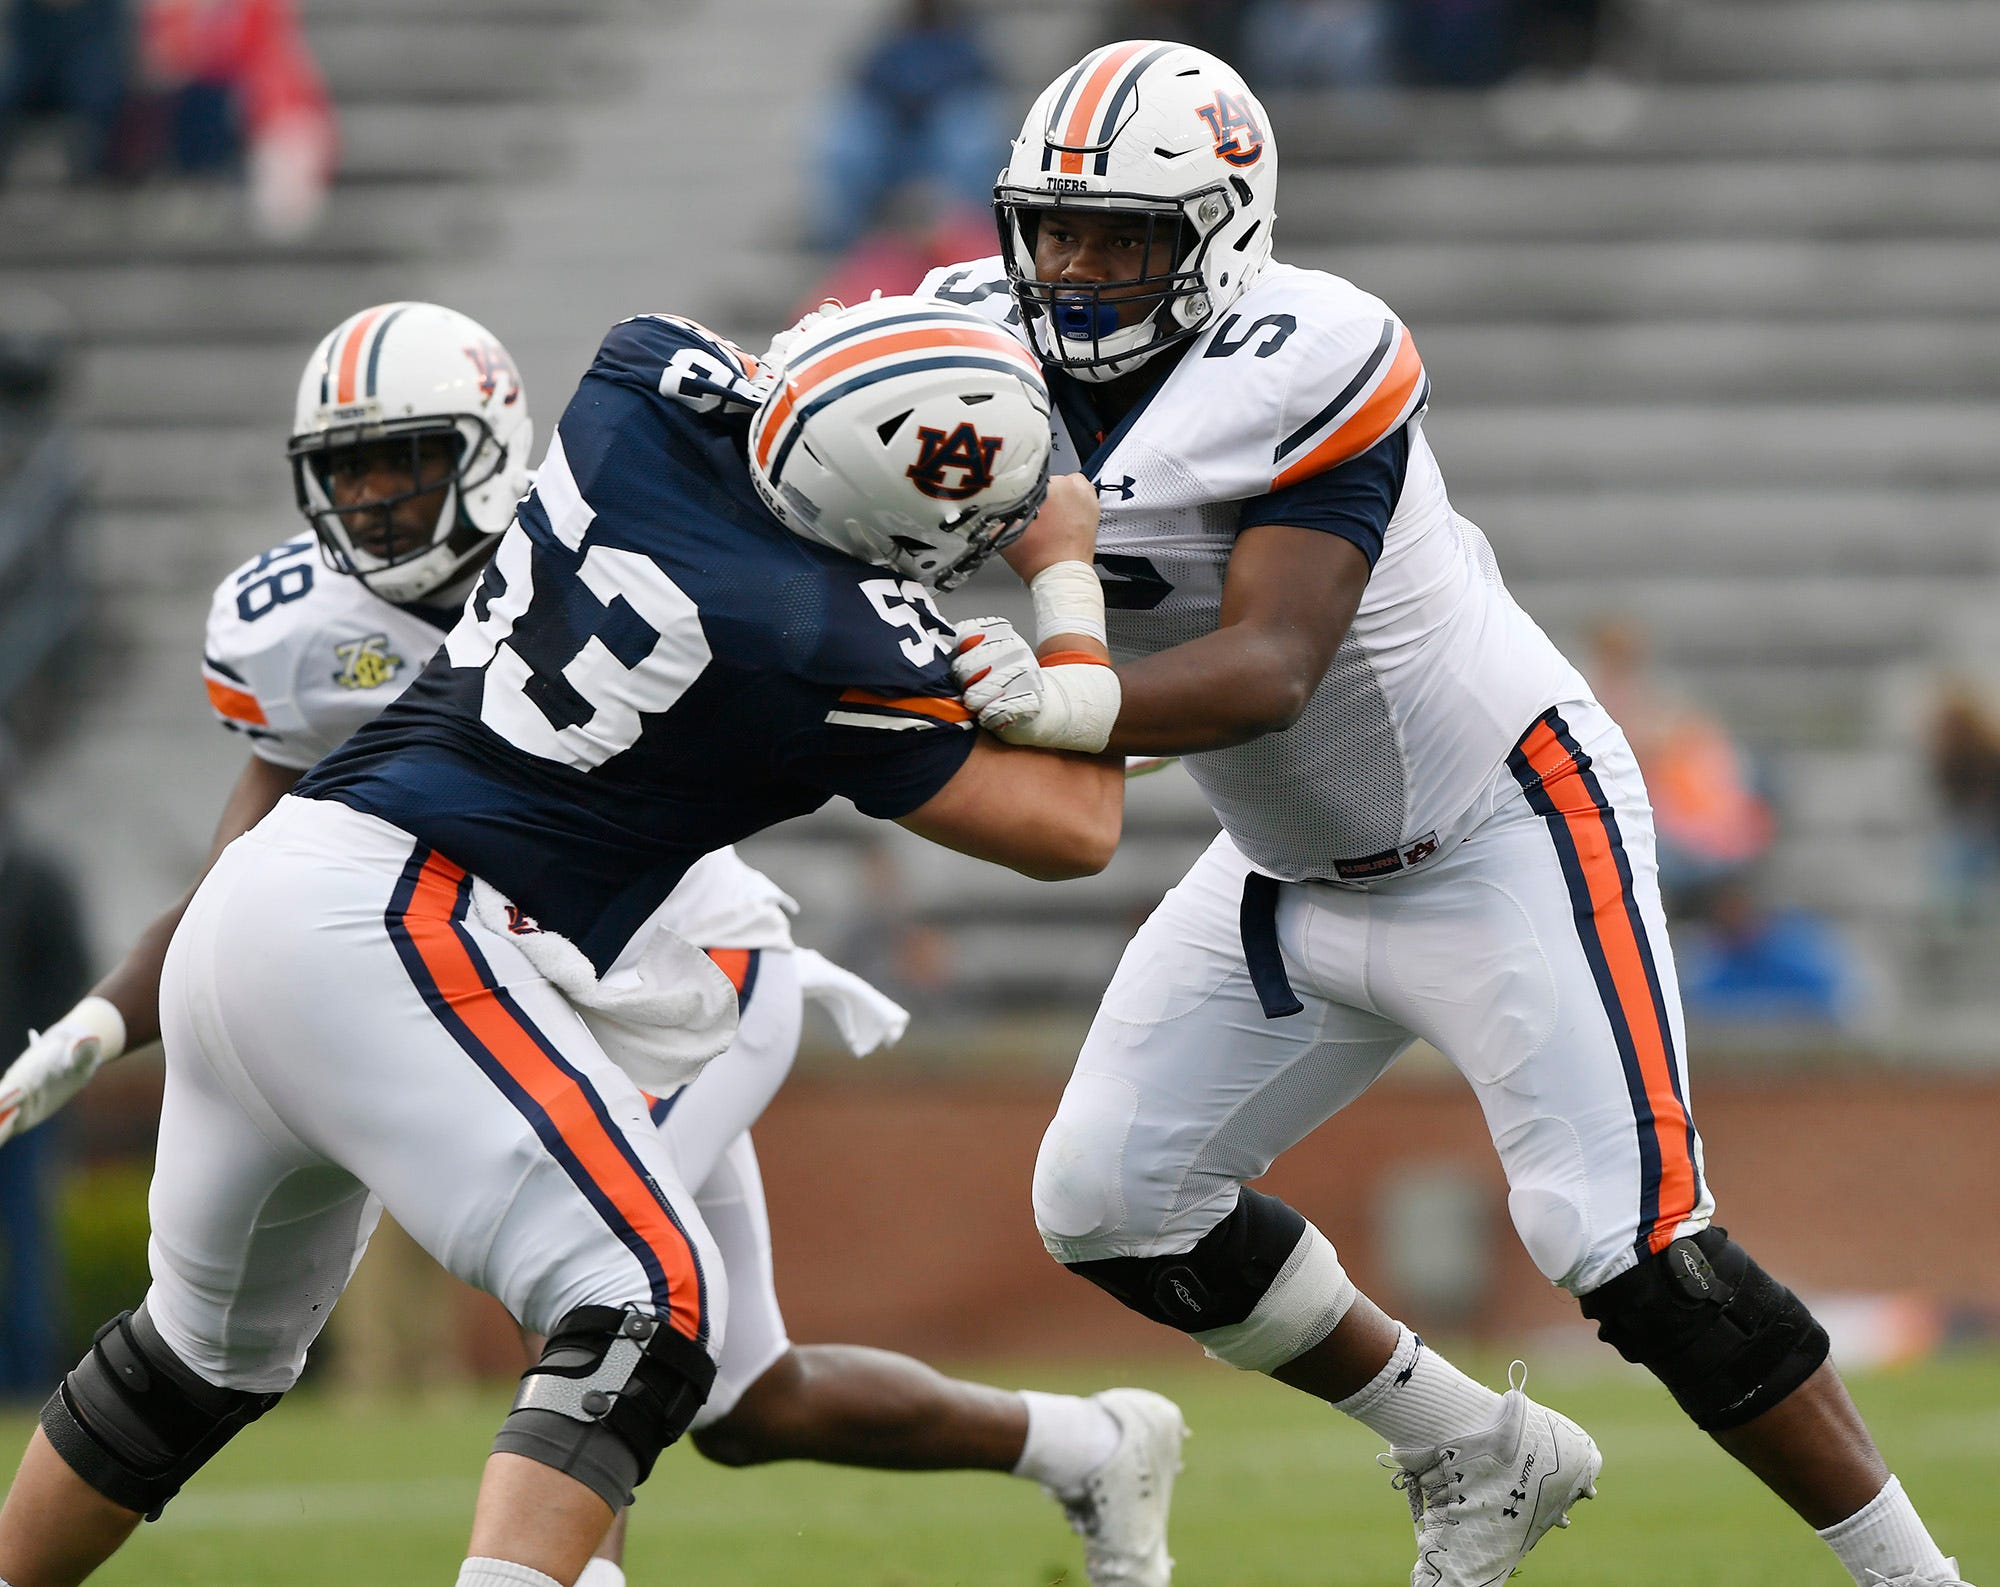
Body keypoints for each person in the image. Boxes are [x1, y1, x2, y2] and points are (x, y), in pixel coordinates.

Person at [917, 40, 1977, 1587]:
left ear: (1222, 232)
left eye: (1124, 235)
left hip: (1504, 831)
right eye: (1054, 229)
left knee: (1628, 1248)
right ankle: (1471, 1445)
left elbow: (1272, 666)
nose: (1076, 270)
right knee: (1110, 1200)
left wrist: (1024, 695)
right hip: (1288, 865)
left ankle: (1918, 1581)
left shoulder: (1311, 352)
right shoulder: (953, 346)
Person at [0, 295, 1179, 1587]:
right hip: (410, 928)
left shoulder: (635, 390)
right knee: (639, 1310)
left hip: (282, 908)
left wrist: (907, 352)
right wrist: (1063, 577)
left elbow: (782, 368)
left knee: (188, 1361)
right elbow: (1078, 828)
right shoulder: (822, 639)